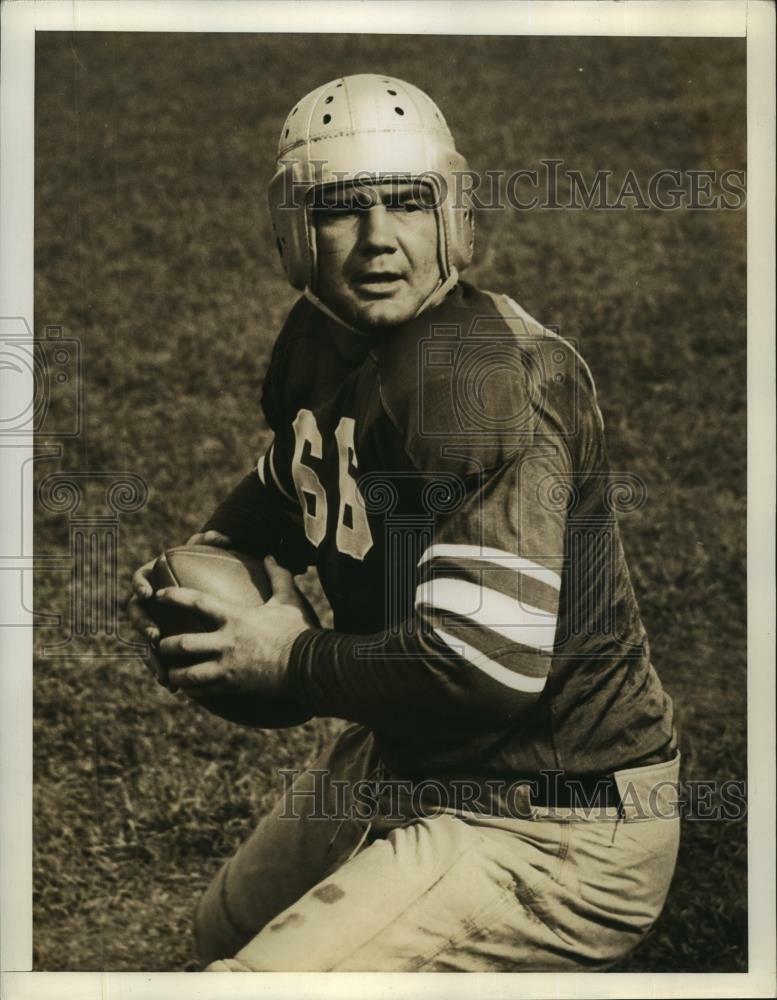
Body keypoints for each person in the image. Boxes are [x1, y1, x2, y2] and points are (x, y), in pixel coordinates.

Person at [129, 73, 680, 973]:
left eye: (407, 204)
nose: (379, 240)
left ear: (453, 215)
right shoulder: (319, 341)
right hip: (414, 753)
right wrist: (208, 562)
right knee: (216, 938)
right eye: (343, 209)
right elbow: (292, 475)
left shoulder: (480, 377)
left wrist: (287, 662)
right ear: (295, 230)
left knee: (251, 984)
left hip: (553, 816)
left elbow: (480, 663)